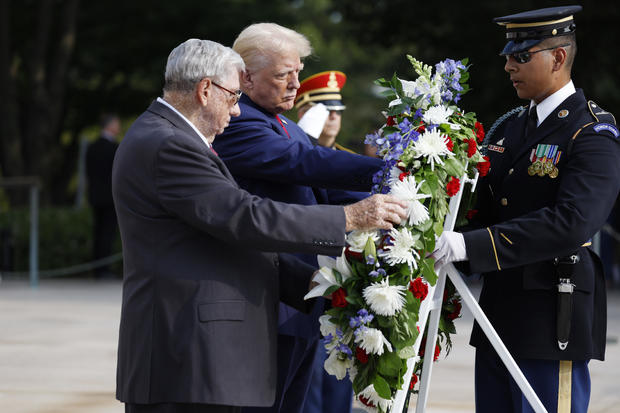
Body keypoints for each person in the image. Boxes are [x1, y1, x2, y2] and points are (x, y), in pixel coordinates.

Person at [112, 38, 407, 413]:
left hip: (199, 357)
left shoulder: (171, 137)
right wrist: (349, 217)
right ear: (206, 90)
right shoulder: (169, 143)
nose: (236, 112)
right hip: (188, 355)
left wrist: (329, 291)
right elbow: (244, 217)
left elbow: (225, 238)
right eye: (234, 97)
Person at [432, 6, 620, 413]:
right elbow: (483, 206)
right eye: (507, 57)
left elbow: (573, 221)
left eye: (521, 56)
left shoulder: (591, 132)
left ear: (557, 58)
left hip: (553, 311)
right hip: (501, 307)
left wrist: (471, 246)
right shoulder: (510, 126)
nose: (508, 66)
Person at [213, 24, 384, 413]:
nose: (295, 83)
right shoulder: (240, 123)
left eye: (298, 70)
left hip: (300, 300)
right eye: (282, 75)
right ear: (246, 77)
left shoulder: (283, 123)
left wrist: (398, 196)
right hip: (265, 303)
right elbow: (304, 163)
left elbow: (329, 192)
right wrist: (383, 168)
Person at [295, 70, 354, 413]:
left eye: (337, 109)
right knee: (307, 388)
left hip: (342, 283)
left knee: (337, 383)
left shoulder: (350, 160)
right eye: (323, 108)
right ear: (304, 110)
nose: (334, 115)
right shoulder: (287, 152)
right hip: (302, 281)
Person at [86, 113, 121, 279]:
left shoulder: (92, 147)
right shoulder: (115, 148)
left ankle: (96, 268)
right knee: (107, 233)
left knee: (97, 232)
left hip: (95, 196)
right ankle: (104, 269)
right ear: (110, 126)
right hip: (110, 197)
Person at [295, 70, 349, 151]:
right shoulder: (288, 152)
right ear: (302, 114)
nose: (334, 117)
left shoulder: (351, 159)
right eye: (326, 110)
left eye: (338, 111)